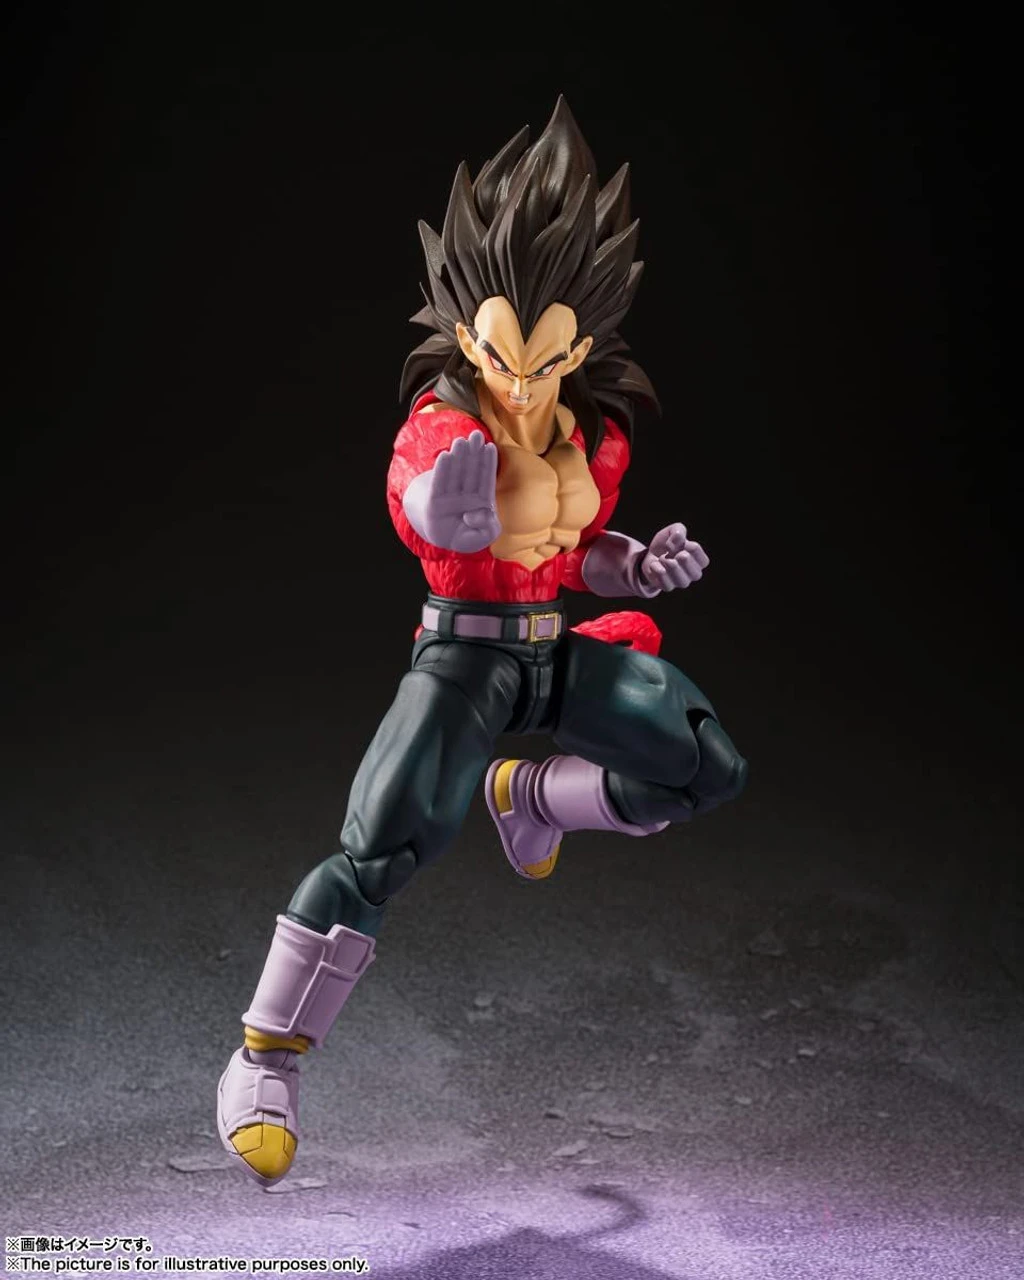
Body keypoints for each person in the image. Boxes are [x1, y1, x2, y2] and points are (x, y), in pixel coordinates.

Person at [216, 97, 747, 1187]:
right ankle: (264, 1059)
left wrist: (637, 568)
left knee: (703, 766)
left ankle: (533, 797)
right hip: (464, 660)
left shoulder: (593, 433)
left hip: (556, 652)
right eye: (500, 354)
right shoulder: (444, 425)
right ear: (466, 336)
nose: (519, 377)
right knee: (382, 846)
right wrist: (440, 517)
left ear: (580, 345)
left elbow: (579, 549)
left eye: (544, 357)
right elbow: (417, 496)